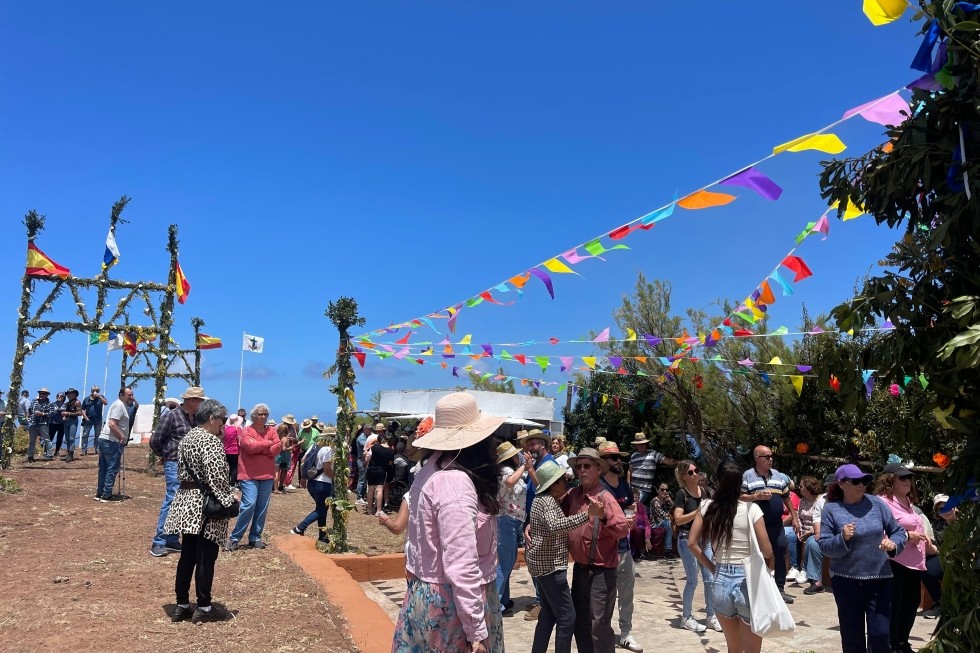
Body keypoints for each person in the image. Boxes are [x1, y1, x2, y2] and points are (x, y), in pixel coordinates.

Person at [392, 391, 505, 652]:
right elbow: (461, 564)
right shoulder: (455, 482)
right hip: (452, 605)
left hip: (426, 594)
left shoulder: (430, 469)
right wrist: (476, 630)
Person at [163, 398, 238, 624]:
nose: (223, 424)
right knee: (206, 557)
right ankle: (204, 607)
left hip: (187, 500)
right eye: (222, 420)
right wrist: (230, 499)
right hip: (205, 504)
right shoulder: (211, 442)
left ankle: (182, 604)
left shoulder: (188, 438)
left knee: (187, 555)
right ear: (212, 418)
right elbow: (216, 477)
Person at [819, 464, 907, 653]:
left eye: (865, 481)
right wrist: (842, 538)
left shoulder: (876, 504)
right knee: (852, 637)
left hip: (880, 579)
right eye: (856, 481)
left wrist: (893, 544)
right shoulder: (831, 509)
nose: (862, 485)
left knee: (881, 636)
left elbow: (898, 532)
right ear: (841, 484)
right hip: (846, 581)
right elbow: (825, 546)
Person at [688, 461, 774, 653]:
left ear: (717, 481)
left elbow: (691, 543)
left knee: (733, 648)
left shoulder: (707, 507)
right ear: (740, 483)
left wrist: (713, 568)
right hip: (748, 580)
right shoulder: (751, 509)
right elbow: (767, 550)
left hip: (720, 580)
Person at [527, 460, 602, 653]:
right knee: (567, 618)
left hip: (541, 566)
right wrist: (587, 515)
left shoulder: (540, 500)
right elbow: (555, 526)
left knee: (548, 615)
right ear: (553, 485)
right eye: (563, 480)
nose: (567, 483)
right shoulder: (548, 502)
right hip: (550, 567)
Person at [563, 447, 629, 653]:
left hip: (601, 572)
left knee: (598, 625)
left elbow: (622, 529)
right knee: (580, 622)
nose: (581, 470)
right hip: (581, 570)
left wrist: (602, 516)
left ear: (598, 469)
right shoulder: (573, 495)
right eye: (579, 466)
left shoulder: (605, 498)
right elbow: (554, 513)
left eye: (587, 466)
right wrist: (532, 524)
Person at [876, 462, 933, 653]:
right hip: (893, 561)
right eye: (902, 477)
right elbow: (879, 533)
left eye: (909, 477)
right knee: (895, 605)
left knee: (911, 602)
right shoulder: (882, 502)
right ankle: (892, 645)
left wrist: (925, 540)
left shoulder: (907, 502)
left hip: (913, 562)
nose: (908, 481)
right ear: (889, 480)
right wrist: (909, 536)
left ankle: (902, 642)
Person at [149, 386, 207, 558]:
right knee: (172, 499)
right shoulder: (172, 416)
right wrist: (166, 455)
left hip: (192, 466)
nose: (201, 403)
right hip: (175, 463)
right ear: (191, 401)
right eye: (199, 400)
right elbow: (156, 440)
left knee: (183, 500)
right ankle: (159, 541)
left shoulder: (198, 419)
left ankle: (172, 538)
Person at [598, 441, 643, 653]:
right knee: (605, 598)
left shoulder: (624, 486)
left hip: (624, 549)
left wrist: (630, 518)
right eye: (614, 458)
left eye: (619, 457)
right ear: (603, 463)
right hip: (605, 552)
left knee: (627, 595)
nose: (619, 461)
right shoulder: (599, 488)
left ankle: (625, 633)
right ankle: (603, 636)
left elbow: (629, 509)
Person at [740, 445, 800, 603]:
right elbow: (740, 497)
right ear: (757, 459)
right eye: (766, 457)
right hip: (755, 524)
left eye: (771, 456)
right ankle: (757, 590)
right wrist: (756, 496)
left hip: (776, 524)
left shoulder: (778, 475)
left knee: (780, 551)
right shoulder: (748, 475)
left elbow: (787, 497)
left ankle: (779, 589)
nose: (770, 459)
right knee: (756, 555)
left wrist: (794, 517)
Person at [674, 459, 720, 633]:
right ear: (683, 477)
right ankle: (686, 617)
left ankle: (710, 615)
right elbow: (678, 519)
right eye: (691, 472)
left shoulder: (705, 492)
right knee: (693, 581)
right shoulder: (681, 494)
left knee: (709, 579)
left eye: (696, 470)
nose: (695, 474)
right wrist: (697, 512)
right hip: (687, 539)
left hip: (704, 539)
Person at [227, 403, 282, 550]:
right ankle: (235, 538)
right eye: (260, 414)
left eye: (265, 414)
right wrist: (268, 444)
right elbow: (249, 447)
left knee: (262, 507)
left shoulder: (271, 430)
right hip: (248, 474)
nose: (263, 417)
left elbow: (276, 449)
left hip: (267, 474)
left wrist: (262, 446)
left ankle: (255, 537)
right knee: (249, 504)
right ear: (254, 416)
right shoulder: (246, 431)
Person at [520, 428, 553, 621]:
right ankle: (541, 599)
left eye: (534, 443)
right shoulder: (538, 462)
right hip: (532, 516)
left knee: (539, 560)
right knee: (533, 560)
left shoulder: (549, 463)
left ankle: (543, 603)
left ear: (543, 444)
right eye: (529, 444)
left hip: (541, 517)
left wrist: (531, 469)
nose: (531, 447)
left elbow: (545, 488)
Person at [494, 440, 530, 617]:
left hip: (510, 520)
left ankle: (503, 600)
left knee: (507, 562)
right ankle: (496, 604)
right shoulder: (507, 471)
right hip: (507, 520)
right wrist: (524, 467)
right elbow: (509, 483)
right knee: (504, 563)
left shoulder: (506, 471)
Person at [291, 426, 335, 543]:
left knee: (321, 508)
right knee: (321, 510)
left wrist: (304, 476)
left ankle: (322, 535)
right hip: (323, 484)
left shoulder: (314, 446)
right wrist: (336, 477)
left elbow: (304, 460)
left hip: (313, 482)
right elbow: (326, 469)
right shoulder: (328, 450)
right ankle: (299, 528)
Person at [96, 387, 135, 502]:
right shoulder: (119, 405)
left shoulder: (119, 405)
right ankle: (106, 494)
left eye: (132, 395)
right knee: (112, 467)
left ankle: (100, 492)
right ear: (121, 395)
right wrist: (122, 436)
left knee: (104, 468)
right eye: (129, 395)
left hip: (106, 439)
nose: (132, 397)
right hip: (112, 441)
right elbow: (112, 424)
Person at [922, 493, 957, 618]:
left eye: (949, 506)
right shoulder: (936, 526)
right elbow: (936, 549)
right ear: (938, 513)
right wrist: (927, 545)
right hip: (945, 557)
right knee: (926, 568)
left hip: (965, 558)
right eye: (941, 509)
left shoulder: (966, 521)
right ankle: (941, 605)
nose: (946, 510)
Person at [628, 432, 678, 508]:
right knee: (626, 502)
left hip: (644, 489)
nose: (640, 446)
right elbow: (630, 471)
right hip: (633, 488)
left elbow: (666, 461)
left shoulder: (653, 453)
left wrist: (680, 462)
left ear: (646, 444)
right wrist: (628, 486)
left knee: (633, 505)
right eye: (638, 444)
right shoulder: (634, 455)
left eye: (642, 444)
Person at [797, 475, 827, 595]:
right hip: (807, 529)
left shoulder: (822, 500)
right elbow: (798, 516)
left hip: (818, 531)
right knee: (791, 535)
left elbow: (821, 520)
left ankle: (816, 581)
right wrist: (799, 528)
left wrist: (810, 532)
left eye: (801, 486)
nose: (799, 488)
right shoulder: (802, 500)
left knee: (812, 542)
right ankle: (796, 568)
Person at [365, 429, 394, 514]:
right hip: (382, 471)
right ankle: (378, 510)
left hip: (371, 470)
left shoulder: (374, 447)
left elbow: (368, 457)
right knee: (379, 490)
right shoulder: (391, 450)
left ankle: (369, 509)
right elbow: (390, 463)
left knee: (370, 490)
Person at [783, 479, 805, 585]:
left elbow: (793, 514)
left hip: (787, 525)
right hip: (774, 525)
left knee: (790, 535)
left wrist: (781, 523)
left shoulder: (792, 496)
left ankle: (794, 567)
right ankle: (779, 567)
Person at [26, 387, 54, 463]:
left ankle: (49, 455)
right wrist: (28, 417)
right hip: (33, 423)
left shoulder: (50, 403)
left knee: (47, 439)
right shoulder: (34, 401)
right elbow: (29, 410)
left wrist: (42, 414)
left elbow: (52, 413)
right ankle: (30, 456)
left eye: (44, 393)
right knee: (32, 441)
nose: (42, 395)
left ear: (47, 395)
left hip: (43, 423)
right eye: (40, 393)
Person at [650, 483, 676, 558]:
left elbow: (677, 510)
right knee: (668, 522)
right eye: (662, 490)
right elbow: (661, 514)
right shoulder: (655, 501)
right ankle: (668, 550)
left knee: (670, 522)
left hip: (666, 522)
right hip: (656, 524)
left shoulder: (667, 501)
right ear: (658, 491)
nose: (665, 491)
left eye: (666, 490)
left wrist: (671, 501)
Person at [81, 385, 108, 455]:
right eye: (94, 391)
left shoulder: (101, 398)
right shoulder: (86, 399)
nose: (95, 392)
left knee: (97, 435)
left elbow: (105, 403)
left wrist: (99, 396)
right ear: (91, 391)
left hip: (98, 419)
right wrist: (85, 417)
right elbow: (83, 409)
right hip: (88, 419)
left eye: (97, 391)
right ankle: (84, 450)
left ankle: (97, 449)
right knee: (85, 435)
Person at [61, 388, 83, 462]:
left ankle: (71, 454)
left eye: (71, 394)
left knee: (71, 438)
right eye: (68, 394)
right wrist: (64, 416)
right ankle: (68, 453)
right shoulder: (67, 403)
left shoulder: (77, 402)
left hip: (73, 421)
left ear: (74, 394)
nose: (69, 395)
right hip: (67, 421)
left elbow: (80, 413)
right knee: (67, 438)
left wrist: (68, 414)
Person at [275, 422, 298, 493]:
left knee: (277, 472)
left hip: (277, 456)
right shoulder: (284, 439)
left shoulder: (277, 437)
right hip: (284, 457)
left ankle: (275, 487)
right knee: (282, 472)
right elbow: (284, 448)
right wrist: (291, 448)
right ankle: (279, 487)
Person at [355, 423, 372, 504]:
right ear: (365, 429)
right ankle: (359, 497)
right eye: (369, 429)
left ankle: (363, 495)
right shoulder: (361, 438)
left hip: (365, 460)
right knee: (362, 479)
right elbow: (366, 446)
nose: (371, 431)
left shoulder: (367, 437)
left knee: (364, 479)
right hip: (361, 460)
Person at [223, 415, 241, 485]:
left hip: (226, 450)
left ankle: (226, 481)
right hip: (234, 451)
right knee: (234, 467)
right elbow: (240, 441)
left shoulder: (225, 428)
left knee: (227, 467)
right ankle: (232, 483)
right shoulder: (237, 429)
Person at [49, 391, 67, 457]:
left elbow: (67, 413)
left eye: (61, 396)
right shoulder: (52, 404)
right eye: (58, 396)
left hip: (61, 424)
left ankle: (57, 451)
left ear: (64, 398)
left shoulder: (65, 405)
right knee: (50, 438)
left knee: (60, 438)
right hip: (53, 423)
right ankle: (47, 451)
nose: (59, 397)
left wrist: (65, 416)